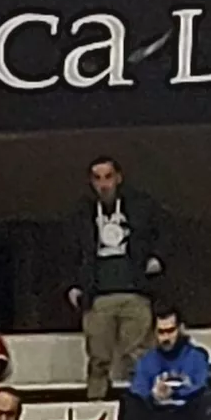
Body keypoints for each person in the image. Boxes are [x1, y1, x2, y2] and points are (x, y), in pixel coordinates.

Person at [70, 158, 164, 382]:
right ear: (91, 182)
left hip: (135, 292)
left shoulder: (142, 206)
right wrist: (74, 284)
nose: (104, 184)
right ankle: (95, 407)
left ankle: (143, 405)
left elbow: (165, 233)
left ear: (119, 178)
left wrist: (157, 258)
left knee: (139, 357)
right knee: (98, 359)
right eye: (97, 178)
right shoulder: (82, 213)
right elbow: (71, 250)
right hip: (99, 296)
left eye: (108, 177)